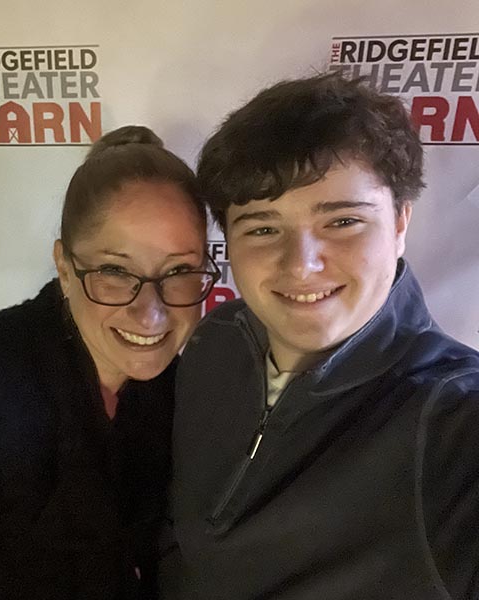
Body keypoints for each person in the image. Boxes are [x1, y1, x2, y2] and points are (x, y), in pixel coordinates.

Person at [161, 73, 479, 599]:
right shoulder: (214, 341)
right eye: (263, 228)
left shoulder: (452, 420)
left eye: (343, 222)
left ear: (400, 223)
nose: (301, 264)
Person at [0, 125, 220, 600]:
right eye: (115, 271)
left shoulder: (171, 387)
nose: (152, 312)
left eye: (179, 271)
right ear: (63, 268)